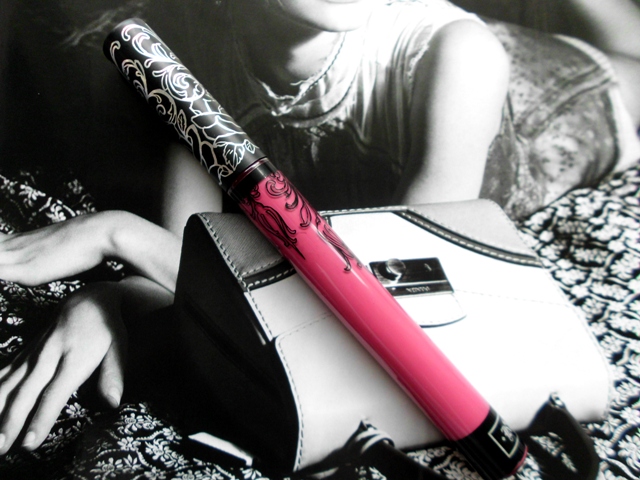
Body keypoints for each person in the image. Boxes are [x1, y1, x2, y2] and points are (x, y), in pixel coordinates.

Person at [0, 0, 639, 456]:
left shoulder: (461, 58)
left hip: (548, 102)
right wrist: (116, 297)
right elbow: (198, 263)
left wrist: (119, 236)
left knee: (625, 68)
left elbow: (384, 308)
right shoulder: (186, 50)